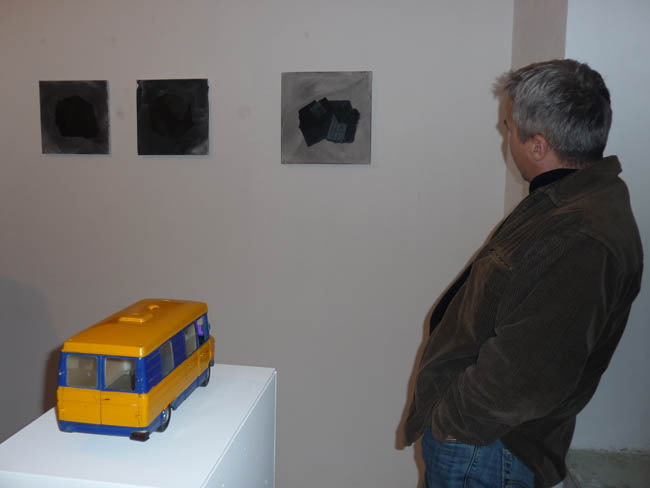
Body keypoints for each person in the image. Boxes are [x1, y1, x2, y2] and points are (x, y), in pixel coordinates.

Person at [402, 59, 643, 488]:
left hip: (487, 449)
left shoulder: (583, 235)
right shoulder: (568, 202)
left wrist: (453, 422)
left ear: (537, 146)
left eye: (509, 128)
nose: (506, 137)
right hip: (483, 445)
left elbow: (527, 373)